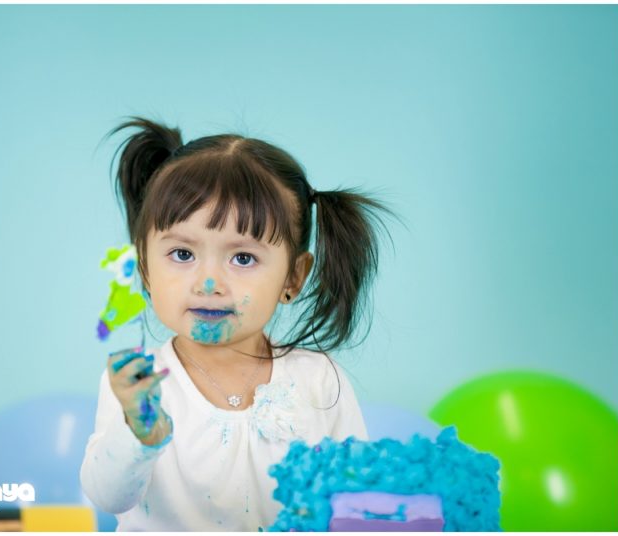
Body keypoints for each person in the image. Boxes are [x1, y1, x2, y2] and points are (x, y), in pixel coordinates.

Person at [79, 116, 397, 531]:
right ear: (145, 269)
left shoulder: (319, 381)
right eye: (182, 254)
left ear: (293, 277)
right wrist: (138, 430)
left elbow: (353, 502)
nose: (209, 283)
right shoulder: (144, 385)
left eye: (243, 258)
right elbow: (108, 497)